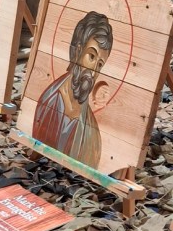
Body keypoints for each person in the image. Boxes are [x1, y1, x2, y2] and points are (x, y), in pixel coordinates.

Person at [32, 11, 113, 169]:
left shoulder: (92, 132)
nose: (93, 72)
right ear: (77, 51)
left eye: (100, 64)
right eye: (91, 56)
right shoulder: (48, 100)